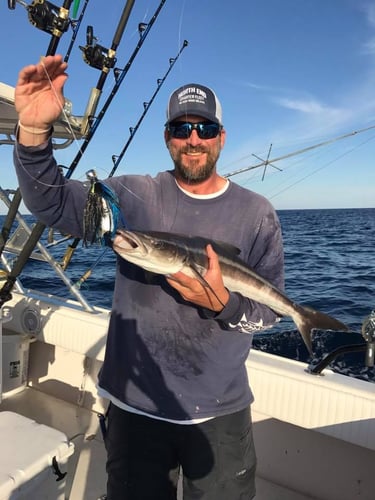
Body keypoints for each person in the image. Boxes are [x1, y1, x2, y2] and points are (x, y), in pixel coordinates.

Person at [13, 55, 285, 500]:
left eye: (205, 129)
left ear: (221, 137)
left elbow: (269, 314)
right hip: (133, 406)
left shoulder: (258, 214)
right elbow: (53, 206)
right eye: (181, 129)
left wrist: (224, 305)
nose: (193, 139)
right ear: (166, 137)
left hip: (220, 412)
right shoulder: (132, 196)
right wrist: (35, 134)